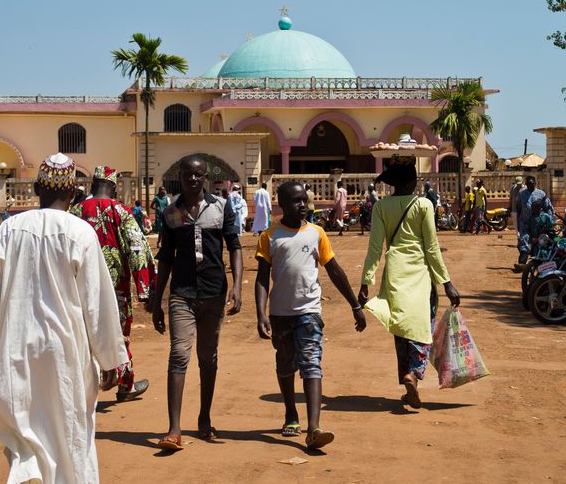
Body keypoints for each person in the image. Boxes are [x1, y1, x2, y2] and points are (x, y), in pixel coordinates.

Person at [0, 153, 127, 483]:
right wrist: (111, 359)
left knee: (25, 432)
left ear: (35, 188)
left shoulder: (8, 230)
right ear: (75, 193)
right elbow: (98, 303)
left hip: (17, 349)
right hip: (66, 353)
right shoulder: (81, 232)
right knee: (72, 435)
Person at [255, 181, 366, 450]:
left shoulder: (317, 233)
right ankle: (291, 414)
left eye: (305, 200)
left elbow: (335, 271)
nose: (302, 205)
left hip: (309, 312)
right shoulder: (270, 236)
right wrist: (261, 314)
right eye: (296, 201)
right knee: (285, 365)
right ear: (281, 203)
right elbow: (261, 279)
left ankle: (313, 427)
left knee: (311, 363)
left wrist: (355, 305)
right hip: (280, 315)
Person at [151, 155, 243, 451]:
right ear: (180, 176)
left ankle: (204, 419)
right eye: (188, 174)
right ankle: (174, 429)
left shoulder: (221, 207)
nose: (193, 179)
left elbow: (235, 247)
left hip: (214, 293)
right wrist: (156, 301)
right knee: (179, 355)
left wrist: (238, 286)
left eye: (198, 175)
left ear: (205, 177)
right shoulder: (171, 212)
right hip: (182, 294)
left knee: (208, 357)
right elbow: (165, 259)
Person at [359, 161, 461, 408]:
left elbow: (375, 248)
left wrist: (365, 282)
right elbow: (431, 247)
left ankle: (407, 376)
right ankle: (413, 375)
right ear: (410, 182)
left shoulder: (381, 206)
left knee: (402, 328)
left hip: (395, 273)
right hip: (420, 275)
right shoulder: (423, 204)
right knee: (423, 326)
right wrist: (446, 283)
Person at [70, 165, 153, 401]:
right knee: (118, 334)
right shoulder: (122, 212)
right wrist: (145, 289)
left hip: (79, 287)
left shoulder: (75, 212)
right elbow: (138, 249)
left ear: (92, 185)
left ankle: (83, 391)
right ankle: (125, 385)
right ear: (114, 187)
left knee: (82, 335)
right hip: (117, 287)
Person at [514, 197, 557, 271]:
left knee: (556, 243)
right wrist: (532, 238)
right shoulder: (531, 218)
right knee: (527, 247)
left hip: (546, 239)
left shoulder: (545, 216)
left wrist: (548, 236)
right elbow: (528, 229)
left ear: (540, 209)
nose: (533, 210)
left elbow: (552, 228)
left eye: (535, 208)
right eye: (532, 208)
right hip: (535, 240)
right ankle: (525, 265)